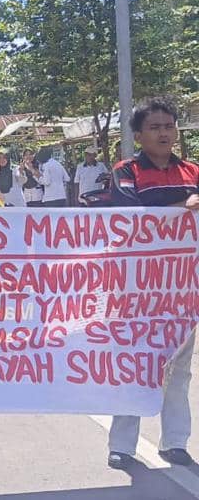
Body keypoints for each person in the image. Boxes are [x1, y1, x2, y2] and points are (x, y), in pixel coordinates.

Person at [106, 97, 199, 470]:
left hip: (183, 285)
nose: (164, 133)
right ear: (139, 134)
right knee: (135, 363)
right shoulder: (125, 171)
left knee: (179, 368)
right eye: (155, 127)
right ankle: (122, 446)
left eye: (169, 126)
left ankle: (175, 442)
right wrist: (183, 207)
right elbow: (132, 214)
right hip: (137, 287)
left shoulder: (193, 171)